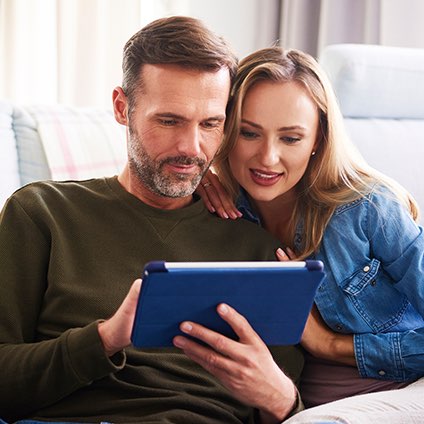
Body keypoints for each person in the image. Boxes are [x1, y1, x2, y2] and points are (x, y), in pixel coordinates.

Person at [0, 18, 304, 423]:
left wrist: (283, 398)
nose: (190, 148)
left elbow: (288, 406)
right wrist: (107, 339)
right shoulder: (42, 213)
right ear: (122, 108)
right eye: (169, 121)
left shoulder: (257, 248)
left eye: (210, 124)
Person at [199, 46, 424, 421]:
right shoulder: (222, 208)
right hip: (291, 405)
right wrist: (194, 174)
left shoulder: (367, 209)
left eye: (290, 138)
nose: (267, 158)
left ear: (318, 139)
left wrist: (330, 344)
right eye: (249, 133)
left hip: (397, 391)